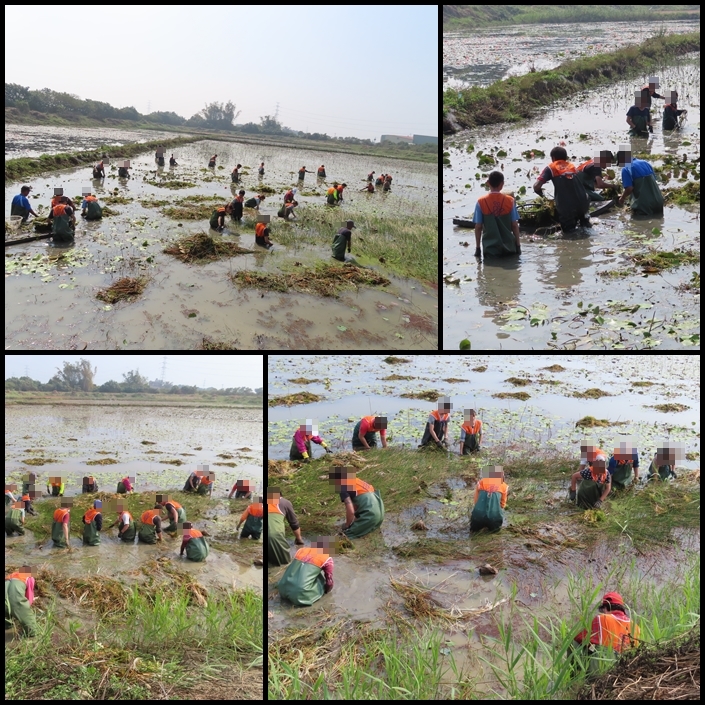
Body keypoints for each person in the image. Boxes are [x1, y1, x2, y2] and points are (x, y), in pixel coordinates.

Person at [574, 592, 640, 666]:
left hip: (606, 666)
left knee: (573, 643)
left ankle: (575, 675)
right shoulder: (636, 626)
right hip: (628, 666)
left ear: (605, 608)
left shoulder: (601, 618)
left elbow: (579, 638)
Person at [533, 146, 590, 232]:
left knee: (569, 233)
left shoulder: (551, 167)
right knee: (585, 228)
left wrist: (542, 196)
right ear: (565, 158)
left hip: (567, 207)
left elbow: (536, 186)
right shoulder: (572, 166)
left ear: (553, 158)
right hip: (584, 202)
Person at [475, 170, 522, 258]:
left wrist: (478, 248)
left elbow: (478, 227)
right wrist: (518, 246)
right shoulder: (510, 201)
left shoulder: (481, 202)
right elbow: (514, 225)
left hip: (490, 249)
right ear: (502, 184)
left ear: (488, 183)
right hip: (509, 247)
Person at [277, 538, 335, 606]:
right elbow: (329, 582)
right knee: (321, 580)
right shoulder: (328, 559)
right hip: (300, 596)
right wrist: (327, 591)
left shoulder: (301, 550)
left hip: (282, 588)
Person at [329, 468, 385, 539]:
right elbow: (360, 504)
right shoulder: (359, 482)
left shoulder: (342, 486)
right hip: (381, 515)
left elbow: (351, 511)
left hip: (371, 516)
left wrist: (347, 525)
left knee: (344, 537)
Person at [615, 149, 664, 215]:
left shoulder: (626, 169)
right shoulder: (645, 163)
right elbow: (653, 181)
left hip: (644, 205)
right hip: (659, 201)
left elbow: (629, 188)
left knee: (640, 224)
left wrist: (622, 198)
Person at [267, 487, 304, 566]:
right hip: (274, 536)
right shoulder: (284, 502)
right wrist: (299, 539)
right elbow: (294, 524)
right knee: (286, 564)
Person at [470, 467, 508, 531]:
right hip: (494, 517)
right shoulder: (504, 486)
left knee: (474, 532)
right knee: (494, 534)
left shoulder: (480, 483)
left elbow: (476, 501)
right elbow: (502, 505)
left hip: (478, 516)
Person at [5, 566, 38, 637]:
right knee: (27, 617)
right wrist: (28, 605)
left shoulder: (11, 575)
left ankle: (7, 627)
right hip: (15, 594)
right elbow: (29, 594)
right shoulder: (29, 577)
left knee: (6, 614)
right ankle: (31, 634)